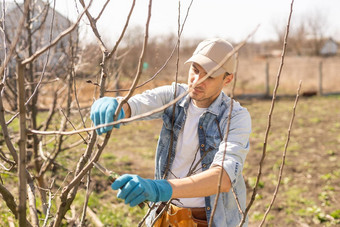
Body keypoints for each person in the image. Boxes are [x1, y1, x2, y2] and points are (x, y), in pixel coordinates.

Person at [90, 38, 251, 227]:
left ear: (227, 79)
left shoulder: (235, 117)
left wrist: (160, 189)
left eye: (210, 76)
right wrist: (116, 107)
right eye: (196, 70)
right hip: (164, 215)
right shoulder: (175, 96)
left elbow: (222, 178)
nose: (198, 80)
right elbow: (138, 104)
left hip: (207, 220)